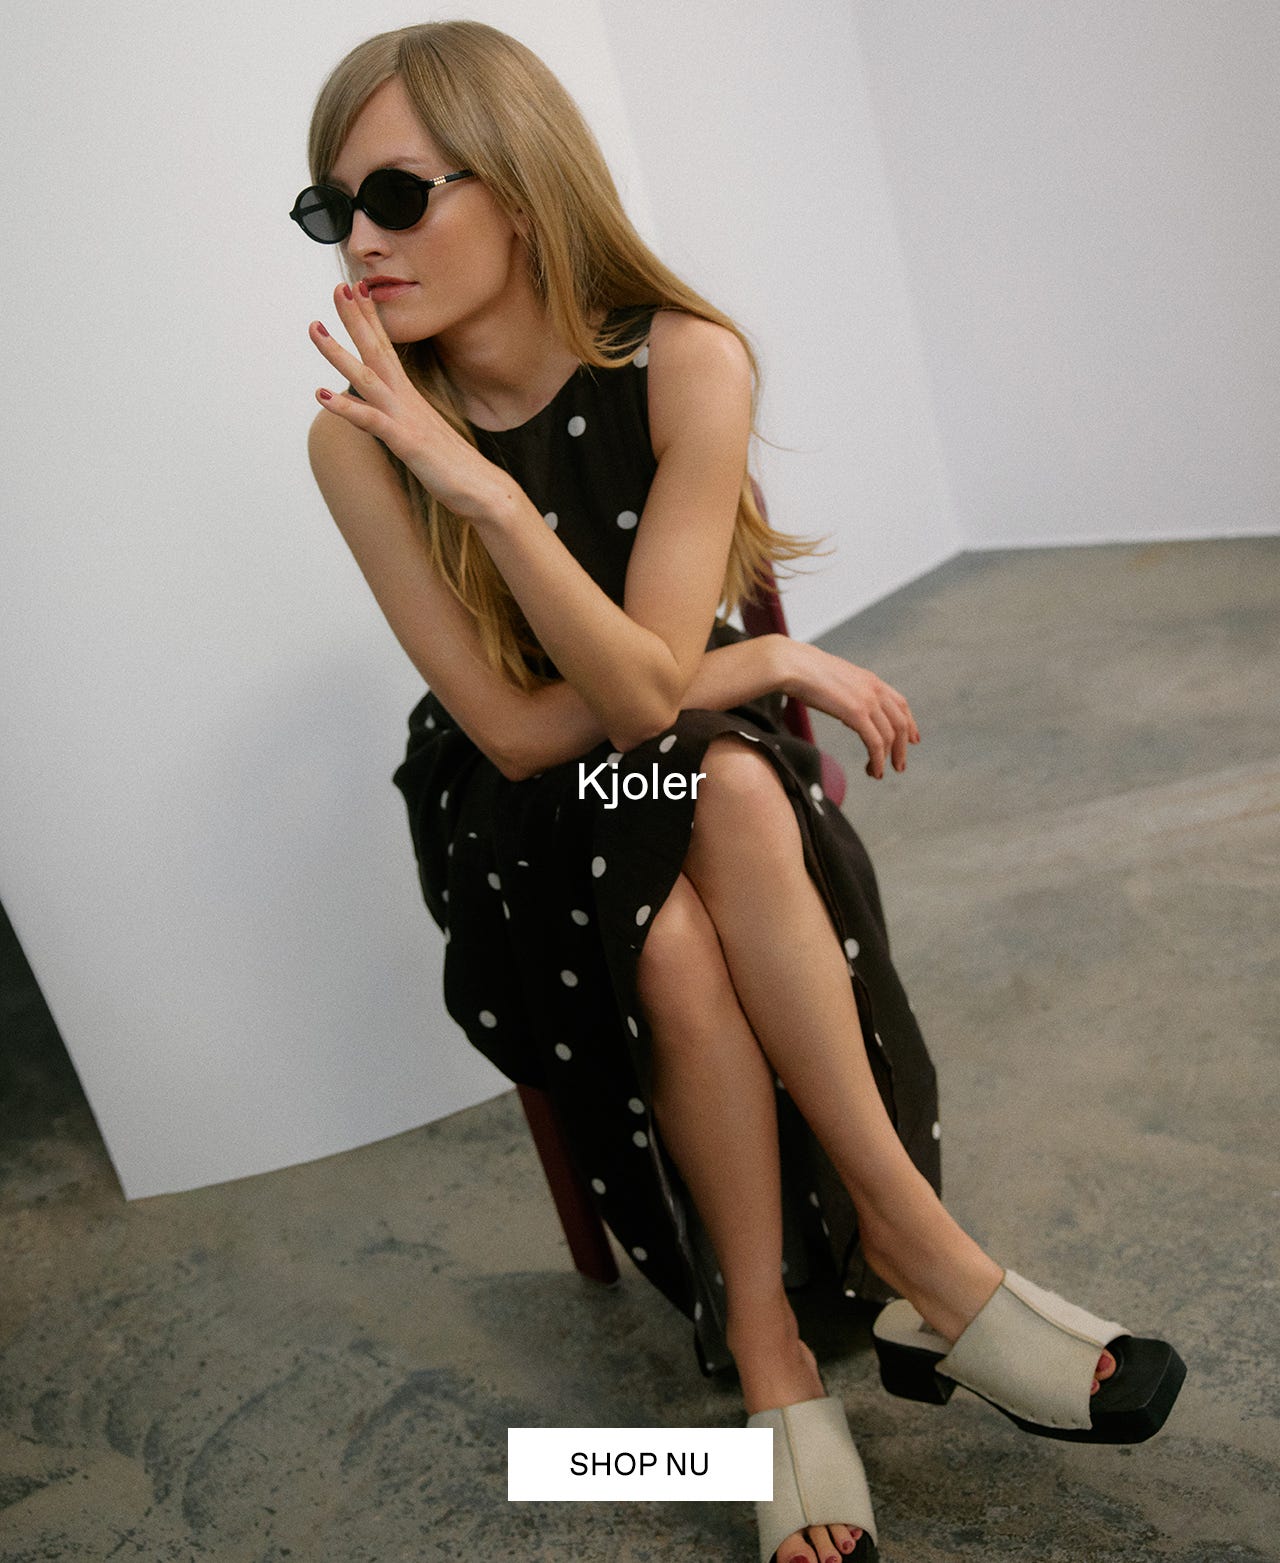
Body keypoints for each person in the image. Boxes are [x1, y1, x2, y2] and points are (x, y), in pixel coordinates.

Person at [293, 22, 1185, 1562]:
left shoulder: (686, 358)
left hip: (687, 758)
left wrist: (698, 673)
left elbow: (650, 690)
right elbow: (519, 731)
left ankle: (791, 1344)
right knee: (699, 805)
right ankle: (927, 1269)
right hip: (514, 807)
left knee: (713, 818)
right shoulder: (358, 444)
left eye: (395, 194)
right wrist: (505, 505)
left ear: (522, 185)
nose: (361, 242)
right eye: (332, 208)